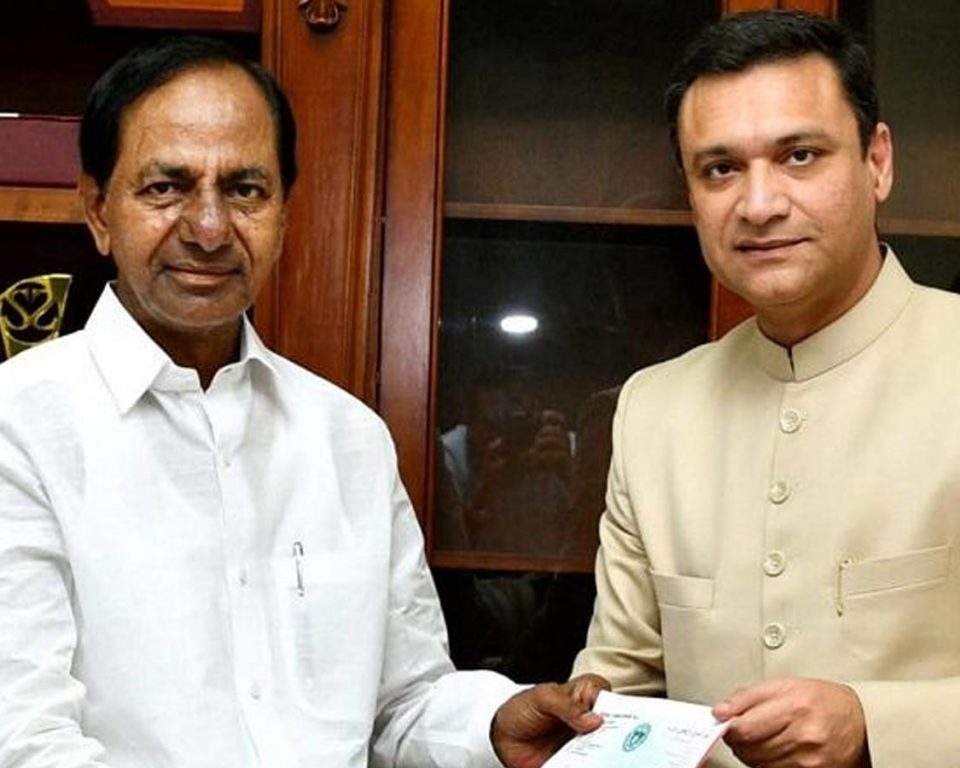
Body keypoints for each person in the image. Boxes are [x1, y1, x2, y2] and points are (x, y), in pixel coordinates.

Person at [0, 35, 606, 768]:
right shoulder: (20, 425)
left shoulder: (347, 437)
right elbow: (26, 740)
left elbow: (402, 702)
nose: (209, 228)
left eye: (245, 190)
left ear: (284, 212)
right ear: (99, 210)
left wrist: (492, 723)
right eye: (165, 187)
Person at [572, 10, 960, 768]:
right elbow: (620, 689)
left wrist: (872, 724)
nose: (759, 205)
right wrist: (581, 716)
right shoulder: (654, 408)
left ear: (877, 162)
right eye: (720, 169)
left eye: (800, 156)